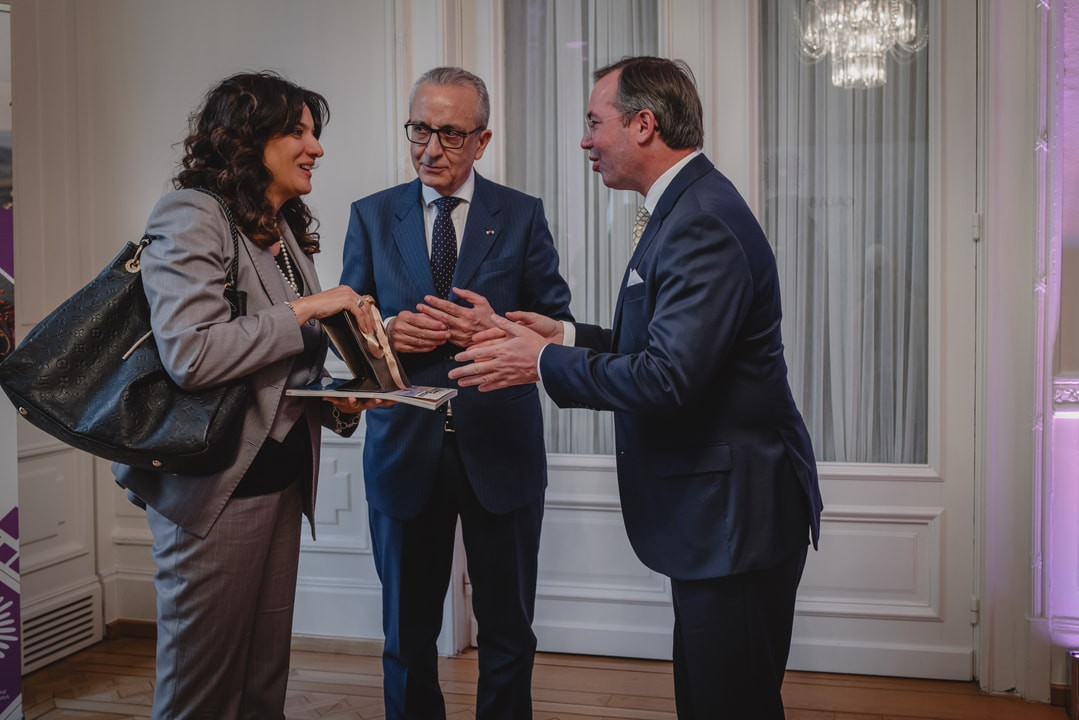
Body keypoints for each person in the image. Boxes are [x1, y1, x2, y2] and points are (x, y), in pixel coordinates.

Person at [449, 56, 824, 719]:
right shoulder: (686, 206)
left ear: (643, 125)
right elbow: (669, 350)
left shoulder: (698, 219)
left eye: (595, 123)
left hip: (734, 518)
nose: (585, 140)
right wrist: (562, 337)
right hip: (723, 515)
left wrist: (536, 362)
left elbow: (667, 378)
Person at [113, 71, 384, 720]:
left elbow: (279, 360)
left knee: (263, 686)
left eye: (315, 133)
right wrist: (312, 306)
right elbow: (193, 354)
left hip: (280, 482)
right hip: (215, 492)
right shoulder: (189, 214)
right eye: (298, 132)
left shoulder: (281, 226)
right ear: (245, 138)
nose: (316, 148)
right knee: (201, 695)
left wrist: (337, 399)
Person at [339, 66, 573, 719]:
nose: (429, 148)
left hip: (501, 447)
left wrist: (494, 326)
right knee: (407, 636)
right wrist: (387, 332)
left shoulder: (521, 216)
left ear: (481, 140)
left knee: (506, 632)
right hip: (402, 450)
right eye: (419, 129)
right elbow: (345, 333)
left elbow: (552, 321)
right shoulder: (370, 215)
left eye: (448, 133)